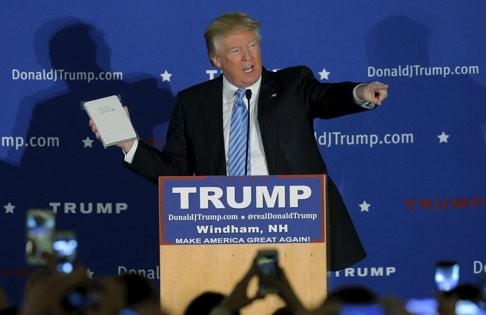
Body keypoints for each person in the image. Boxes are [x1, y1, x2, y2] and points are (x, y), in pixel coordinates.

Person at [89, 11, 389, 271]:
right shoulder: (193, 103)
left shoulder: (292, 84)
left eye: (253, 45)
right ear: (216, 59)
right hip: (224, 228)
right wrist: (129, 144)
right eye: (236, 50)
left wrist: (358, 93)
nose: (248, 56)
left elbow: (325, 98)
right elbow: (175, 174)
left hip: (294, 222)